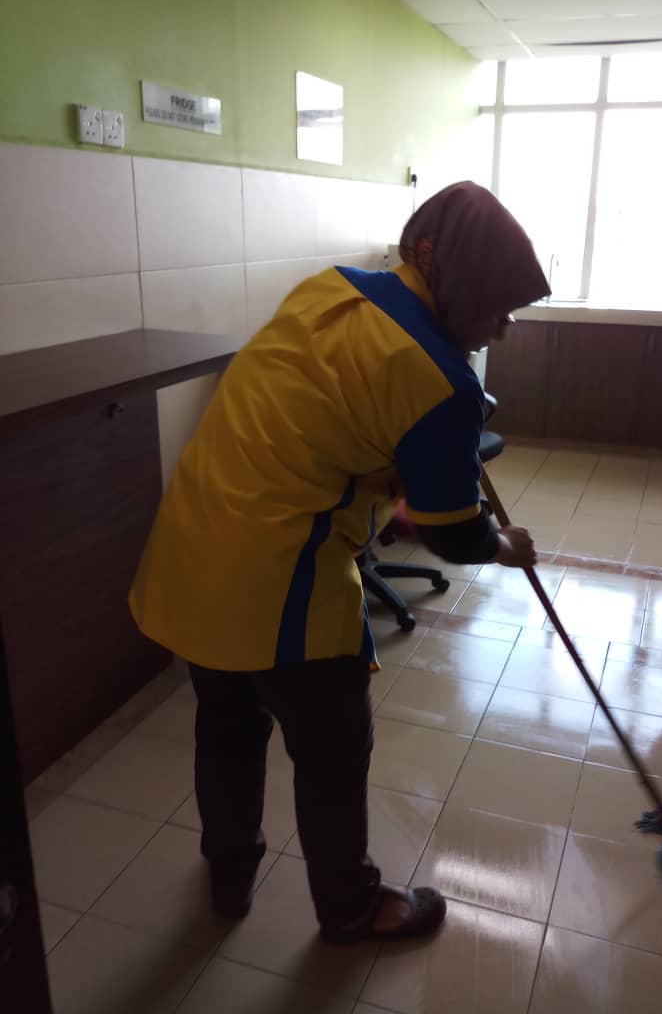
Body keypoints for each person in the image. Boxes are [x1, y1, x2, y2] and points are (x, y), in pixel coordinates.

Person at [129, 180, 550, 943]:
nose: (504, 327)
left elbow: (323, 425)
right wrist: (503, 545)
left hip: (195, 543)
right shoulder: (442, 380)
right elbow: (453, 533)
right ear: (445, 272)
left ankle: (230, 868)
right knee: (332, 749)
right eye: (497, 306)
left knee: (227, 726)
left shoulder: (329, 290)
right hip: (277, 579)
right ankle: (352, 906)